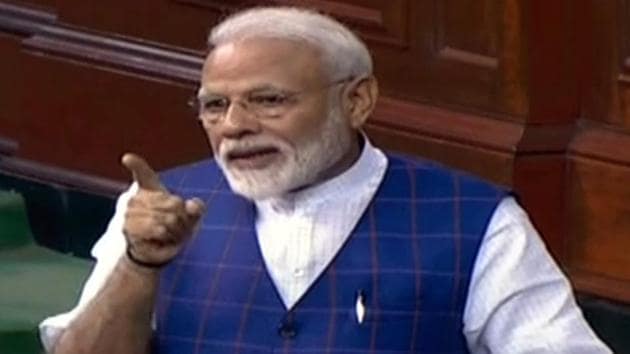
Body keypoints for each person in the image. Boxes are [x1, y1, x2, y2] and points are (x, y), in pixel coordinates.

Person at [39, 6, 612, 354]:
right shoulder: (155, 206)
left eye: (268, 100)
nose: (234, 127)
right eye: (214, 106)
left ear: (357, 100)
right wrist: (139, 266)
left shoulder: (474, 221)